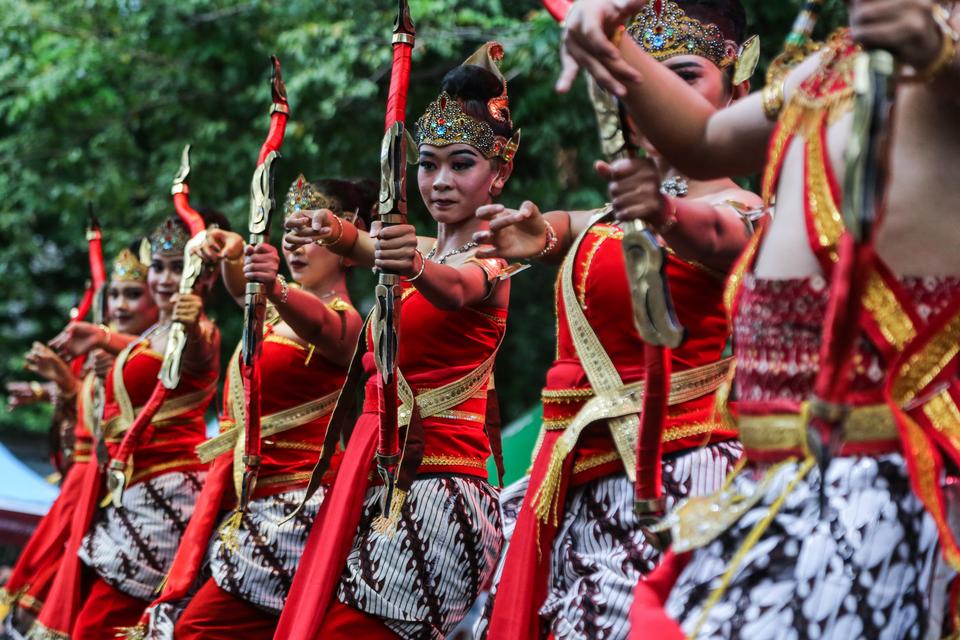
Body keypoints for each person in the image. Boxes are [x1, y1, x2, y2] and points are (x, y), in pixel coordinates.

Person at [561, 0, 960, 637]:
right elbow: (701, 142)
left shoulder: (943, 67)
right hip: (773, 476)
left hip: (882, 481)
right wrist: (612, 41)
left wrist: (934, 46)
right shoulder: (828, 74)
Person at [472, 3, 760, 638]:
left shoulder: (744, 206)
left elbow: (716, 235)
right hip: (577, 482)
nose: (657, 96)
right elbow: (575, 224)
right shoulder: (617, 211)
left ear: (739, 91)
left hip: (679, 479)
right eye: (641, 78)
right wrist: (537, 232)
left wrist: (663, 213)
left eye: (684, 77)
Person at [274, 42, 519, 639]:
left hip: (440, 494)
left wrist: (389, 256)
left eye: (461, 164)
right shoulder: (421, 252)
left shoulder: (498, 247)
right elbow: (388, 256)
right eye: (428, 164)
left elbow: (456, 291)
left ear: (500, 173)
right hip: (383, 486)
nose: (439, 181)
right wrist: (336, 231)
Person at [127, 176, 373, 639]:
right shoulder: (277, 312)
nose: (297, 245)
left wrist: (272, 282)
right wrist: (236, 253)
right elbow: (244, 291)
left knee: (196, 631)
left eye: (312, 235)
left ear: (345, 243)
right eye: (289, 233)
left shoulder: (345, 319)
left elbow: (309, 316)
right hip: (247, 506)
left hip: (295, 511)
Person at [30, 213, 225, 639]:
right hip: (128, 494)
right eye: (159, 265)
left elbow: (191, 354)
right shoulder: (152, 334)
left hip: (166, 497)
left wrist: (189, 323)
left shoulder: (202, 332)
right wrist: (98, 339)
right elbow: (140, 351)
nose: (167, 278)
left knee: (99, 625)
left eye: (181, 266)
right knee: (89, 618)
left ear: (207, 278)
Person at [1, 246, 157, 639]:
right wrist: (50, 389)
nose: (120, 304)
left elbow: (112, 429)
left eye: (133, 294)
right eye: (115, 295)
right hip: (80, 489)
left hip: (109, 493)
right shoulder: (103, 356)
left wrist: (64, 385)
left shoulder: (148, 360)